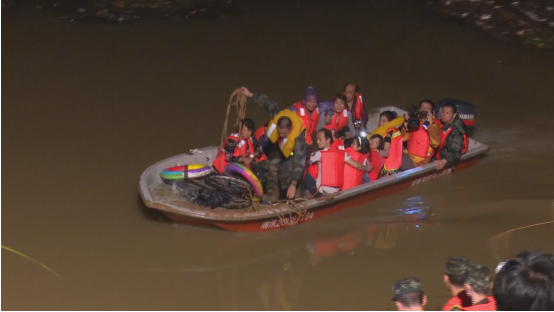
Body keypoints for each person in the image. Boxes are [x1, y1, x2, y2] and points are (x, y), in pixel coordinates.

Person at [241, 87, 308, 203]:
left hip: (292, 157)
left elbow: (300, 163)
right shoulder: (278, 115)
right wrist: (250, 94)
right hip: (277, 153)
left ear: (290, 129)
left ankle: (296, 198)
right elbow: (268, 102)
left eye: (284, 133)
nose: (281, 135)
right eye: (279, 132)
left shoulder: (298, 137)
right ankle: (273, 197)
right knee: (272, 167)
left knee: (291, 177)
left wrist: (294, 183)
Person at [304, 129, 371, 196]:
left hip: (320, 192)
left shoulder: (318, 154)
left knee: (302, 170)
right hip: (336, 191)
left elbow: (304, 163)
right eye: (317, 139)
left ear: (328, 140)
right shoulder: (342, 153)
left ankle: (303, 193)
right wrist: (366, 168)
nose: (317, 141)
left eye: (320, 139)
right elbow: (356, 165)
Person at [400, 100, 442, 170]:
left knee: (396, 158)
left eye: (427, 108)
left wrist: (429, 122)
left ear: (433, 112)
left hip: (420, 162)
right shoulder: (415, 121)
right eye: (422, 107)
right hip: (409, 155)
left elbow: (436, 143)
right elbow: (402, 138)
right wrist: (406, 123)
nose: (424, 109)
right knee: (391, 146)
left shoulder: (435, 125)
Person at [435, 103, 468, 171]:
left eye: (447, 113)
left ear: (454, 115)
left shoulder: (454, 132)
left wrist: (444, 161)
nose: (444, 115)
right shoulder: (441, 124)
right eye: (442, 112)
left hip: (443, 158)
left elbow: (456, 154)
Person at [375, 111, 403, 177]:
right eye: (380, 120)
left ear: (390, 122)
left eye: (383, 121)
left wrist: (375, 150)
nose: (380, 123)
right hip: (396, 166)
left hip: (387, 169)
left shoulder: (388, 135)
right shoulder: (396, 131)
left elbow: (386, 153)